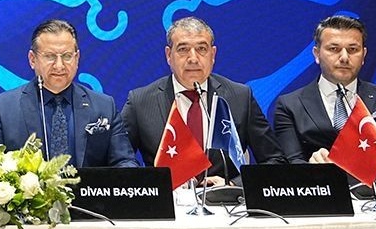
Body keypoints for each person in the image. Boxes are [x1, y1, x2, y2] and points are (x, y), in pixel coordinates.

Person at [121, 16, 285, 182]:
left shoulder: (240, 97)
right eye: (183, 49)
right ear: (169, 55)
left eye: (201, 49)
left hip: (227, 197)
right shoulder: (140, 102)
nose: (193, 58)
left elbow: (275, 162)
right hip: (167, 198)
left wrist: (232, 185)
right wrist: (160, 185)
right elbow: (120, 165)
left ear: (212, 54)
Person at [0, 19, 137, 167]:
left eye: (67, 56)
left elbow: (124, 162)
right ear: (32, 59)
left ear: (77, 58)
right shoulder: (3, 108)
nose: (59, 66)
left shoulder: (104, 106)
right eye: (50, 56)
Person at [272, 15, 376, 167]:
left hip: (374, 182)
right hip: (318, 180)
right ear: (317, 54)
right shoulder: (289, 105)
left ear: (363, 55)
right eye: (334, 49)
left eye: (352, 50)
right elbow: (289, 162)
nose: (344, 57)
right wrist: (310, 167)